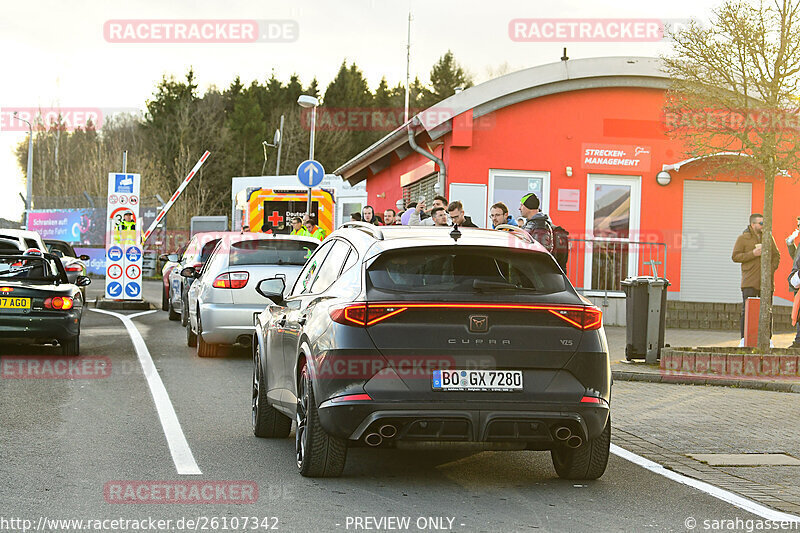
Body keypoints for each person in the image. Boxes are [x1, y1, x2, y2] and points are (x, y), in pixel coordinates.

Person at [731, 213, 780, 346]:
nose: (763, 226)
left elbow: (777, 255)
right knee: (746, 310)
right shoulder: (743, 238)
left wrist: (770, 269)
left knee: (767, 310)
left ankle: (768, 339)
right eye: (761, 223)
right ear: (753, 224)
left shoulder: (768, 237)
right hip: (749, 281)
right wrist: (752, 254)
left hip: (766, 282)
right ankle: (744, 338)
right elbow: (735, 256)